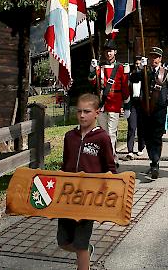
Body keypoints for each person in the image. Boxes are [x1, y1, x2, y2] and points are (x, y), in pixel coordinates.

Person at [58, 93, 117, 270]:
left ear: (97, 113)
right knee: (63, 242)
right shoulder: (70, 137)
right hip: (67, 197)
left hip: (89, 199)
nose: (82, 115)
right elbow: (64, 164)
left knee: (80, 244)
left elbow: (110, 167)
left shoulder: (102, 138)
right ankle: (88, 250)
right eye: (79, 111)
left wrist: (111, 192)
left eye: (87, 111)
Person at [131, 46, 168, 179]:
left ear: (160, 58)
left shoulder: (167, 73)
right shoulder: (145, 72)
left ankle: (155, 162)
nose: (154, 59)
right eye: (152, 57)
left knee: (157, 136)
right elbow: (133, 78)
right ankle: (153, 159)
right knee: (147, 136)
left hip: (159, 110)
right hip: (145, 110)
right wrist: (140, 67)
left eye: (156, 57)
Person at [88, 39, 130, 166]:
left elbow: (125, 87)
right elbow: (92, 82)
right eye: (106, 51)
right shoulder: (99, 67)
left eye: (110, 51)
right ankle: (108, 157)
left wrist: (127, 105)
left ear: (115, 52)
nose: (108, 54)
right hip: (101, 104)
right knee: (103, 133)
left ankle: (110, 160)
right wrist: (91, 70)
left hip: (115, 104)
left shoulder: (121, 68)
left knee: (111, 134)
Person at [123, 56, 146, 160]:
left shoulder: (144, 76)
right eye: (136, 64)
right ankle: (130, 150)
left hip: (142, 104)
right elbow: (125, 90)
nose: (137, 66)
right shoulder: (131, 76)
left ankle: (141, 147)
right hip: (132, 104)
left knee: (141, 127)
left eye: (139, 64)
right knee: (132, 127)